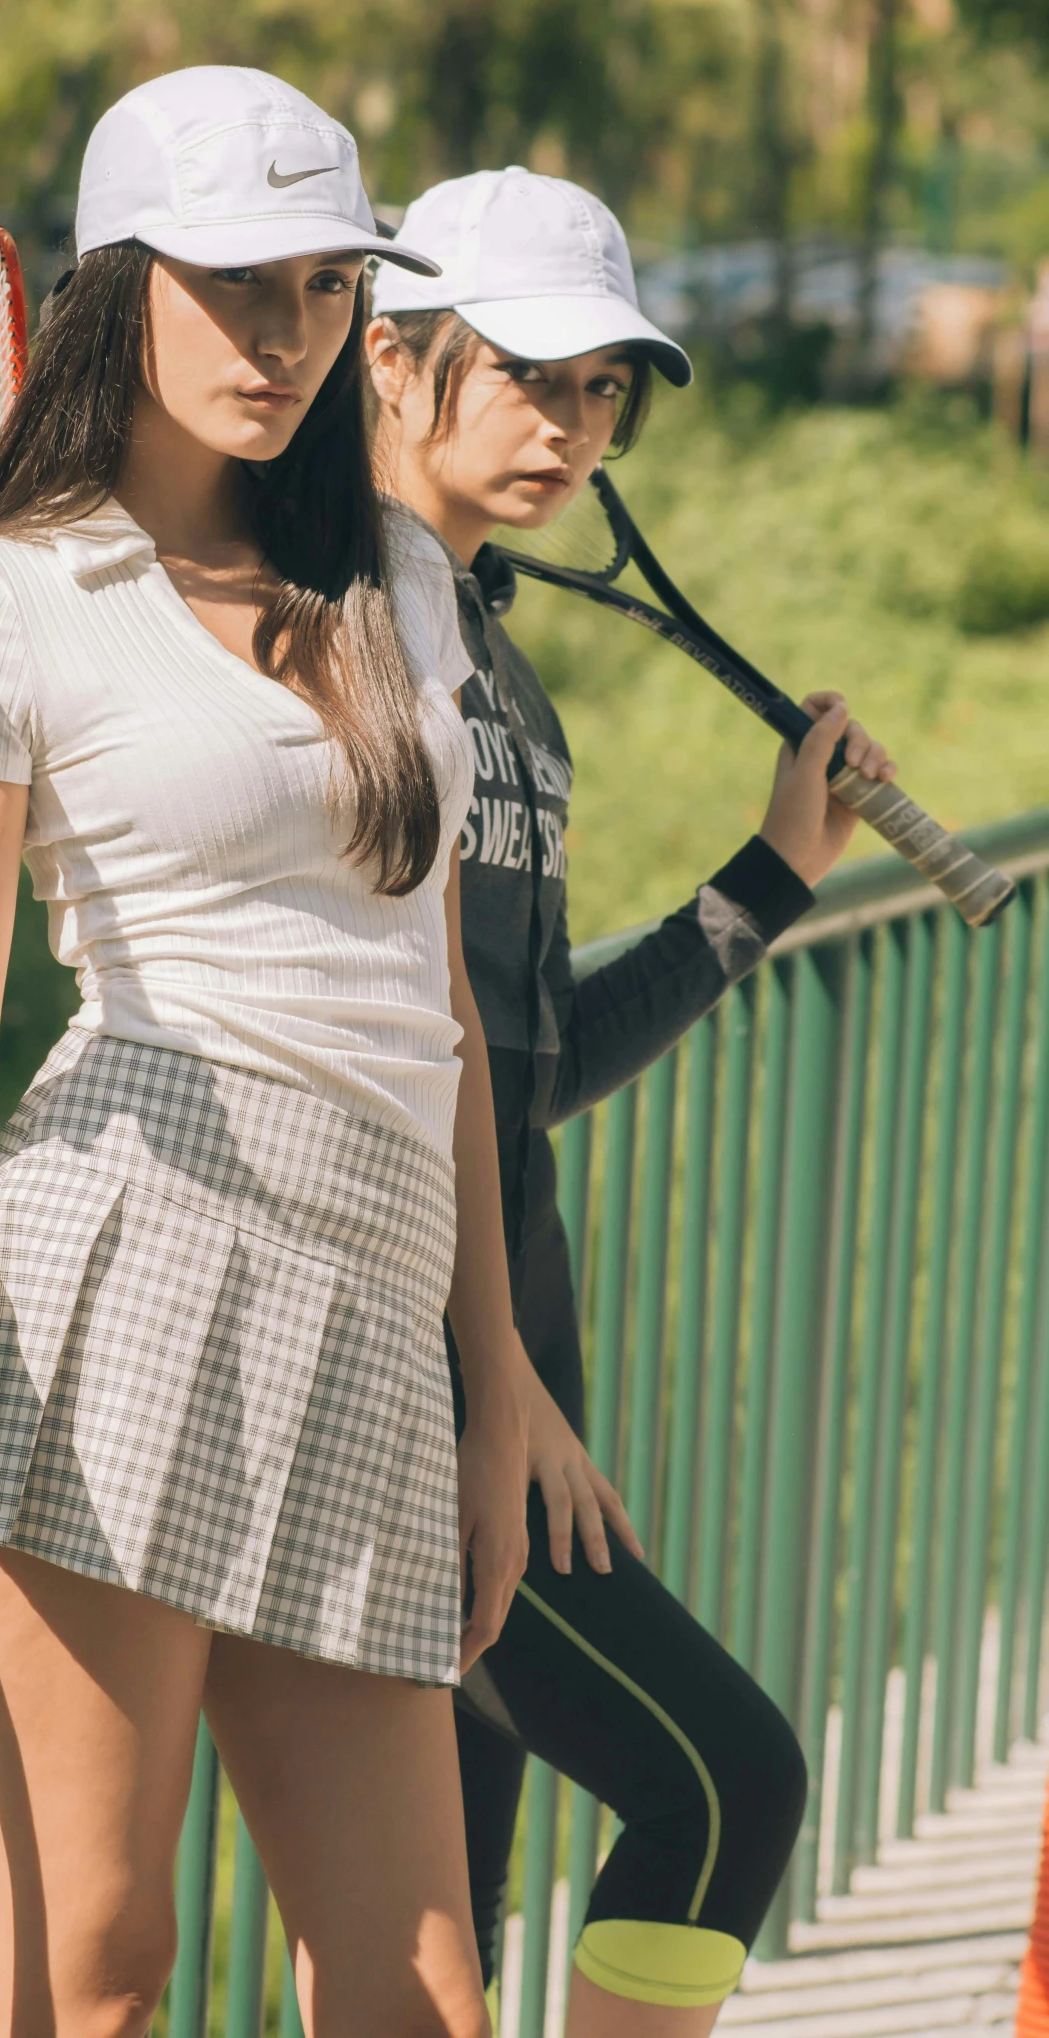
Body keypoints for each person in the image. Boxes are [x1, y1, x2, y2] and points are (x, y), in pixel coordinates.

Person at [0, 69, 562, 2038]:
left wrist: (495, 1364)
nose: (289, 340)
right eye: (237, 286)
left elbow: (430, 1001)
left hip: (366, 1318)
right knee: (100, 1965)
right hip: (124, 1283)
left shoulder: (397, 587)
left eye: (327, 291)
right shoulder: (6, 600)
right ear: (122, 287)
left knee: (419, 1979)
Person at [366, 167, 896, 2038]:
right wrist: (485, 1381)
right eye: (529, 375)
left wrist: (762, 882)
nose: (573, 427)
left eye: (606, 391)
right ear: (390, 356)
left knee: (447, 1937)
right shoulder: (349, 631)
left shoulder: (497, 668)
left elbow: (530, 1069)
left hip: (507, 1366)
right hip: (421, 1378)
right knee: (721, 1783)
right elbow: (381, 1057)